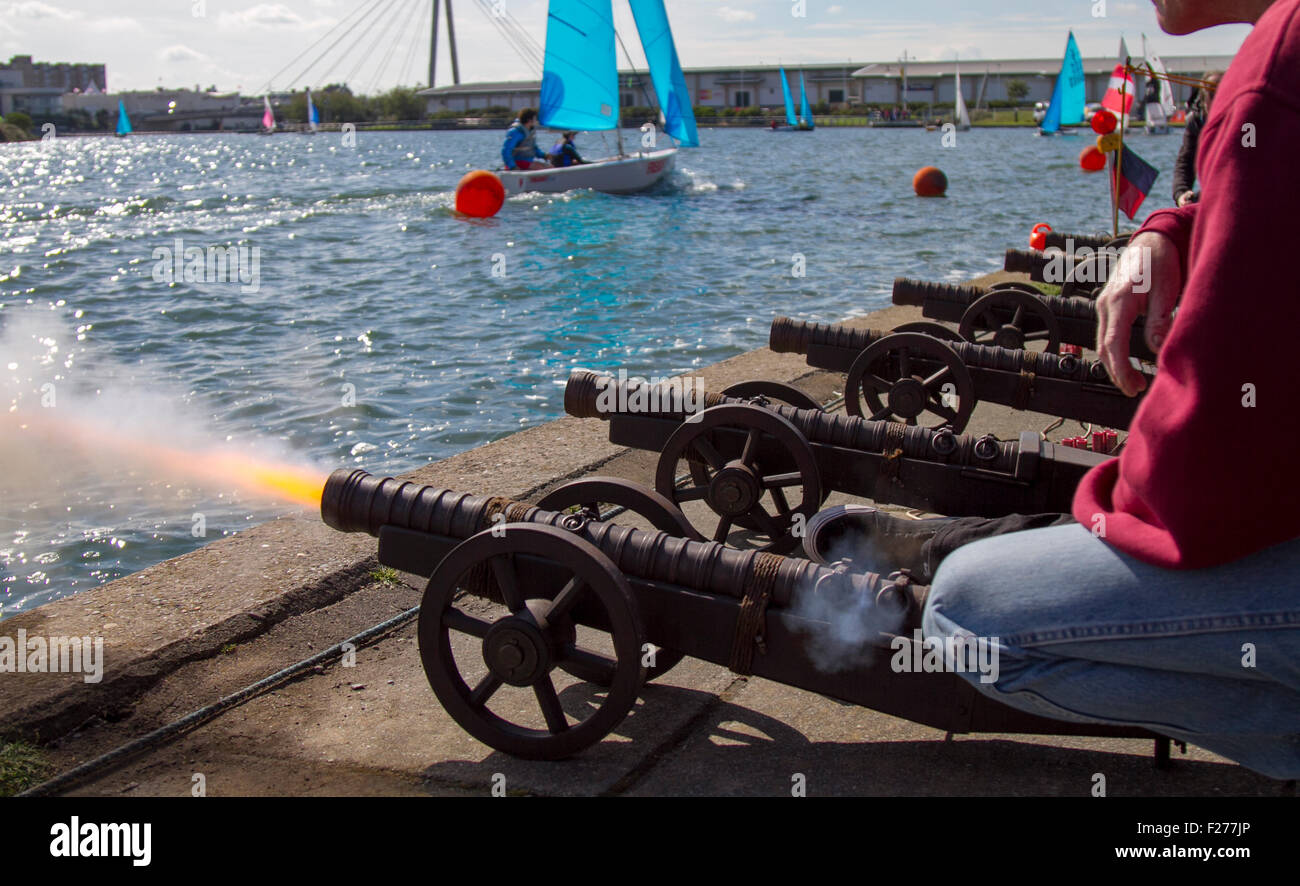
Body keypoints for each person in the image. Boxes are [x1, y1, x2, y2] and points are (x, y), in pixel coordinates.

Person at [807, 0, 1300, 781]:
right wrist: (1169, 229)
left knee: (967, 611)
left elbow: (1209, 460)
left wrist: (1102, 509)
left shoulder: (1277, 64)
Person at [1172, 70, 1222, 205]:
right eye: (1212, 95)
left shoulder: (1247, 124)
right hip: (1210, 194)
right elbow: (1186, 161)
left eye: (1222, 93)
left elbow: (1250, 155)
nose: (1219, 99)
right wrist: (1181, 194)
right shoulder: (1196, 122)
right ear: (1204, 100)